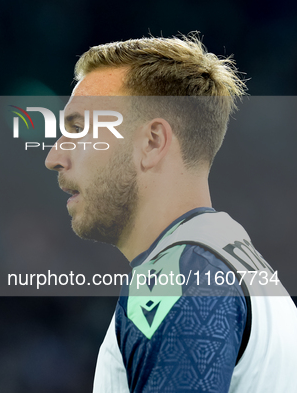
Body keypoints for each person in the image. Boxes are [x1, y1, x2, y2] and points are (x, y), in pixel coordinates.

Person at [44, 35, 297, 392]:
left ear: (152, 143)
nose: (54, 156)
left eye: (79, 129)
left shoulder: (179, 276)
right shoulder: (247, 271)